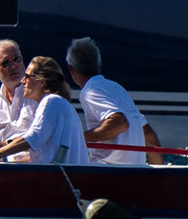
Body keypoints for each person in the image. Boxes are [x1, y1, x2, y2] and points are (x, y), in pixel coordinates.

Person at [0, 56, 87, 167]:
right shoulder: (56, 103)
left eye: (27, 76)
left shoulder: (51, 101)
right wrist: (7, 159)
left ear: (42, 81)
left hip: (63, 181)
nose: (23, 81)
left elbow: (33, 138)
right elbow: (39, 152)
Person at [66, 36, 164, 165]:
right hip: (135, 173)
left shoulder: (90, 92)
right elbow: (149, 137)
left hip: (107, 173)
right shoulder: (117, 88)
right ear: (99, 64)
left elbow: (120, 123)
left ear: (71, 69)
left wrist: (79, 138)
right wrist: (158, 175)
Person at [0, 39, 37, 157]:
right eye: (5, 63)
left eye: (17, 59)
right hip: (5, 170)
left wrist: (3, 146)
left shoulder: (38, 95)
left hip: (36, 169)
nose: (13, 66)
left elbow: (42, 140)